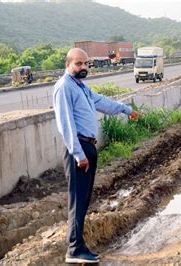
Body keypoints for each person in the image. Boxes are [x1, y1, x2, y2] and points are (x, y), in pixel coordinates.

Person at [53, 48, 139, 264]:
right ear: (68, 65)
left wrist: (126, 110)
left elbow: (102, 103)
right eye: (78, 64)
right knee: (78, 200)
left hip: (88, 147)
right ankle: (74, 249)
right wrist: (78, 154)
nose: (83, 67)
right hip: (79, 150)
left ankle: (78, 246)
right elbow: (66, 125)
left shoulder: (81, 87)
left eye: (86, 64)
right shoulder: (64, 87)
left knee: (83, 200)